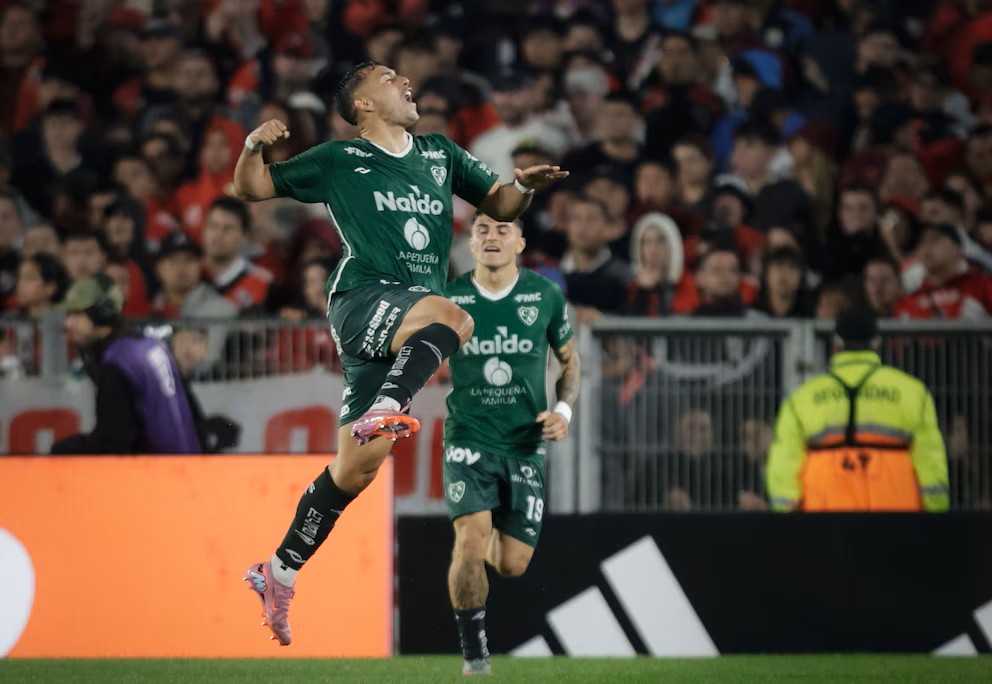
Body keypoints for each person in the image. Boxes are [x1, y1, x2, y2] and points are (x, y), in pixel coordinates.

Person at [231, 61, 567, 646]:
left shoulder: (439, 153)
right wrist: (252, 146)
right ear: (362, 104)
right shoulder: (339, 159)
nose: (404, 81)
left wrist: (525, 187)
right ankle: (387, 402)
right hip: (363, 298)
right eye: (388, 77)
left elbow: (501, 203)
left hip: (409, 322)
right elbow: (252, 187)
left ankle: (278, 571)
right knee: (457, 316)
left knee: (357, 467)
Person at [443, 211, 580, 675]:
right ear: (471, 241)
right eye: (482, 229)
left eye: (503, 230)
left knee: (511, 564)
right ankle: (474, 654)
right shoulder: (450, 297)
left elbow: (570, 363)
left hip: (524, 446)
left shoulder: (545, 296)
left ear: (521, 243)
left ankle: (479, 541)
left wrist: (562, 412)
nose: (492, 237)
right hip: (468, 438)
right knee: (470, 541)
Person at [766, 311, 949, 512]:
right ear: (878, 345)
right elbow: (930, 459)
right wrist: (937, 513)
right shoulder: (914, 392)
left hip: (823, 521)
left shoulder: (802, 398)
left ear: (835, 347)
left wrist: (786, 515)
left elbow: (784, 463)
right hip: (898, 518)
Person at [50, 274, 203, 455]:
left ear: (101, 313)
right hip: (190, 468)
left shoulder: (117, 364)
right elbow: (194, 415)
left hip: (155, 474)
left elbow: (114, 442)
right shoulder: (154, 347)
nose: (68, 323)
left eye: (76, 314)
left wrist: (67, 448)